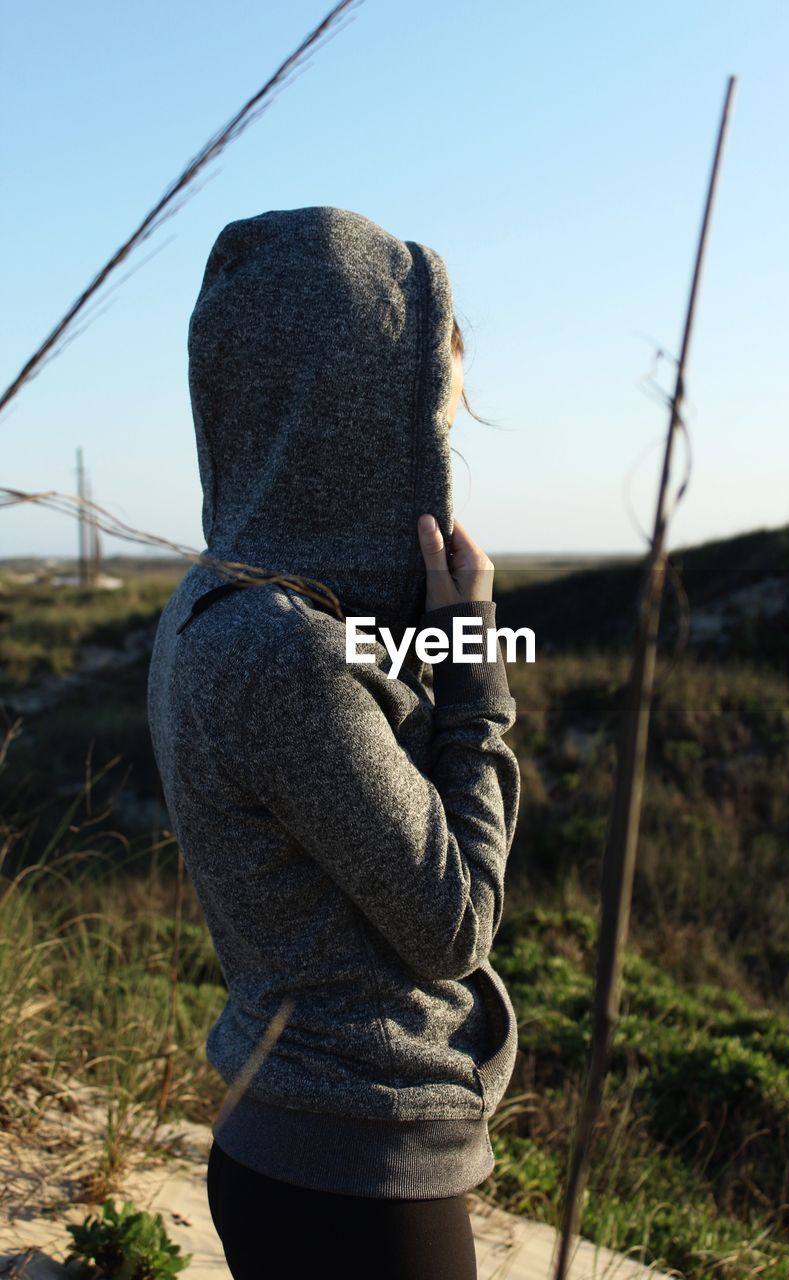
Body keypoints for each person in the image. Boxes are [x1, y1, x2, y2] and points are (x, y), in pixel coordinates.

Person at [146, 206, 522, 1279]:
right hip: (356, 1176)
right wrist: (473, 664)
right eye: (429, 431)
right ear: (348, 428)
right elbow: (456, 924)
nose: (439, 465)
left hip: (298, 1142)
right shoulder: (283, 653)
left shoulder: (212, 603)